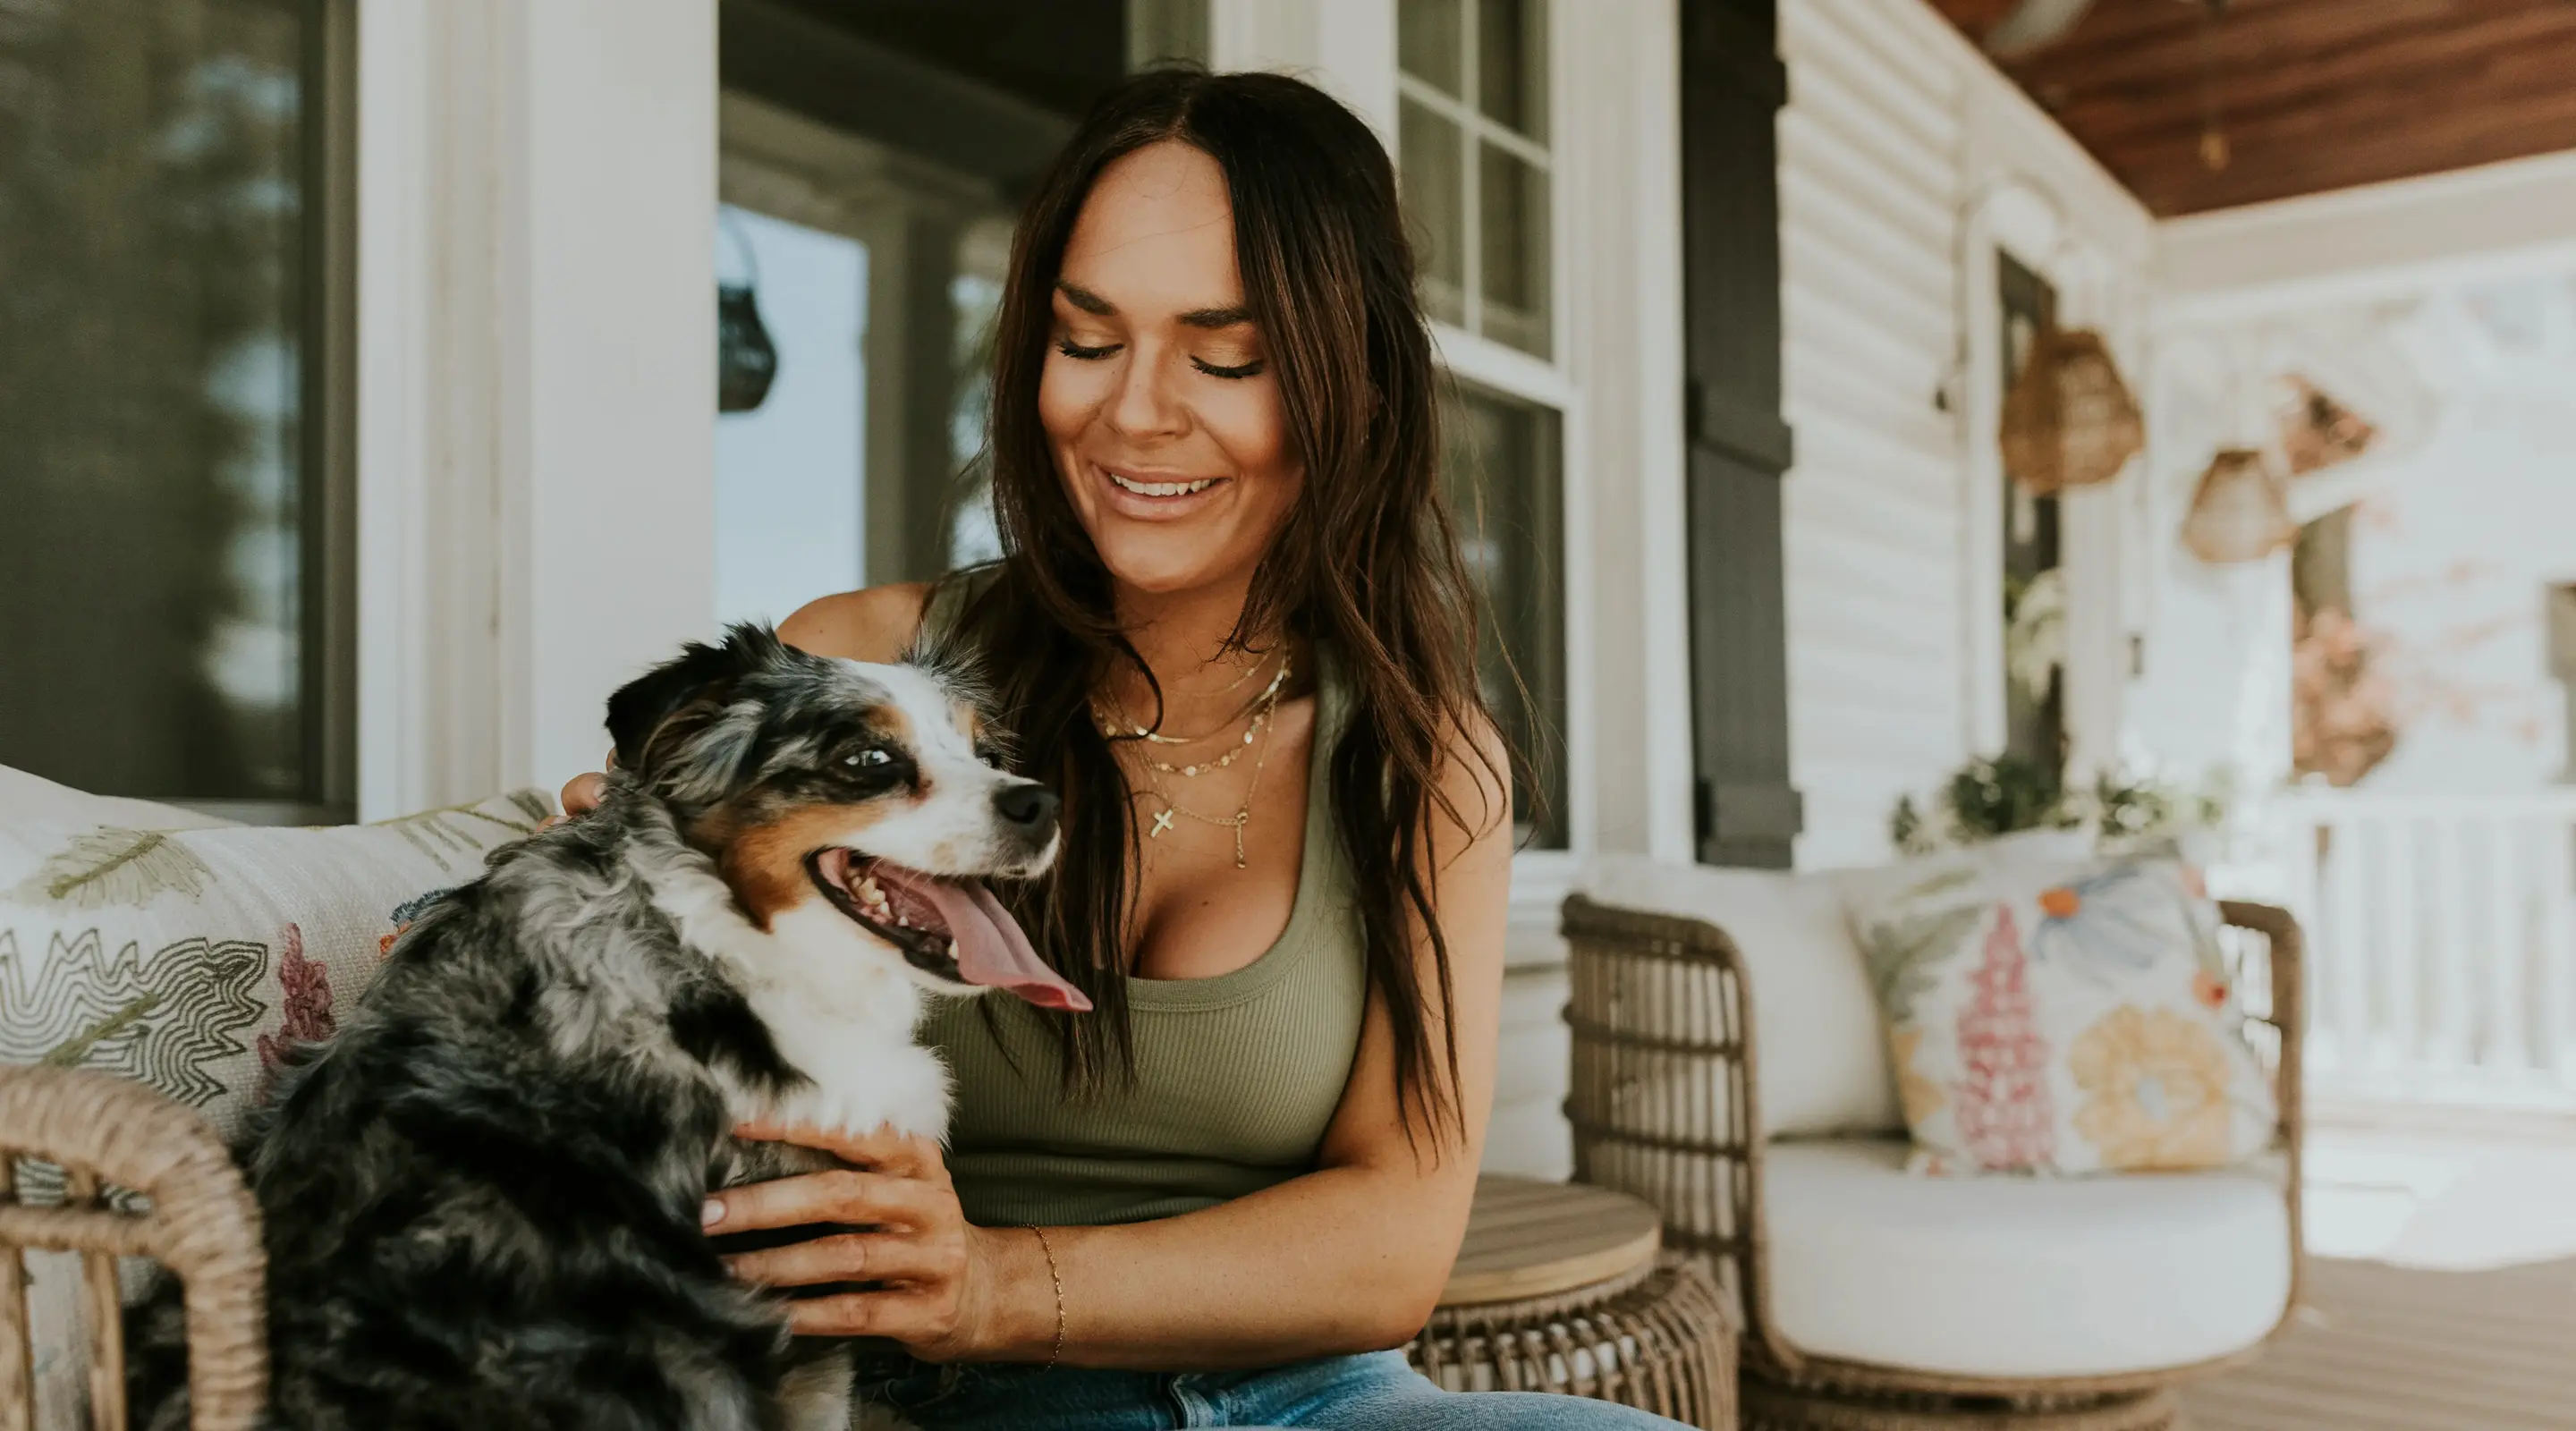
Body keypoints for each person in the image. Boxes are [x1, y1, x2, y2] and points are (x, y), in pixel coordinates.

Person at [561, 69, 1686, 1431]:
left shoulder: (1426, 764)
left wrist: (991, 1283)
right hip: (865, 1392)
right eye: (1087, 338)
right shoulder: (864, 679)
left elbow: (1394, 1240)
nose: (1135, 412)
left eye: (1228, 355)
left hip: (1305, 1405)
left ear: (1358, 389)